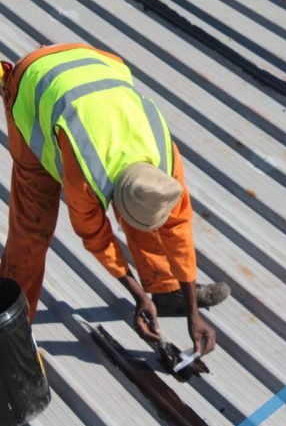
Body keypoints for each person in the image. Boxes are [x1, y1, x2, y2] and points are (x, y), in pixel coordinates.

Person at [0, 43, 230, 355]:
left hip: (94, 64)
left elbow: (179, 232)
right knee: (33, 226)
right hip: (32, 85)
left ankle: (166, 291)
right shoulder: (86, 173)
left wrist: (193, 312)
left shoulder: (165, 166)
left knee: (147, 209)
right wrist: (136, 293)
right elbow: (95, 237)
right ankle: (11, 328)